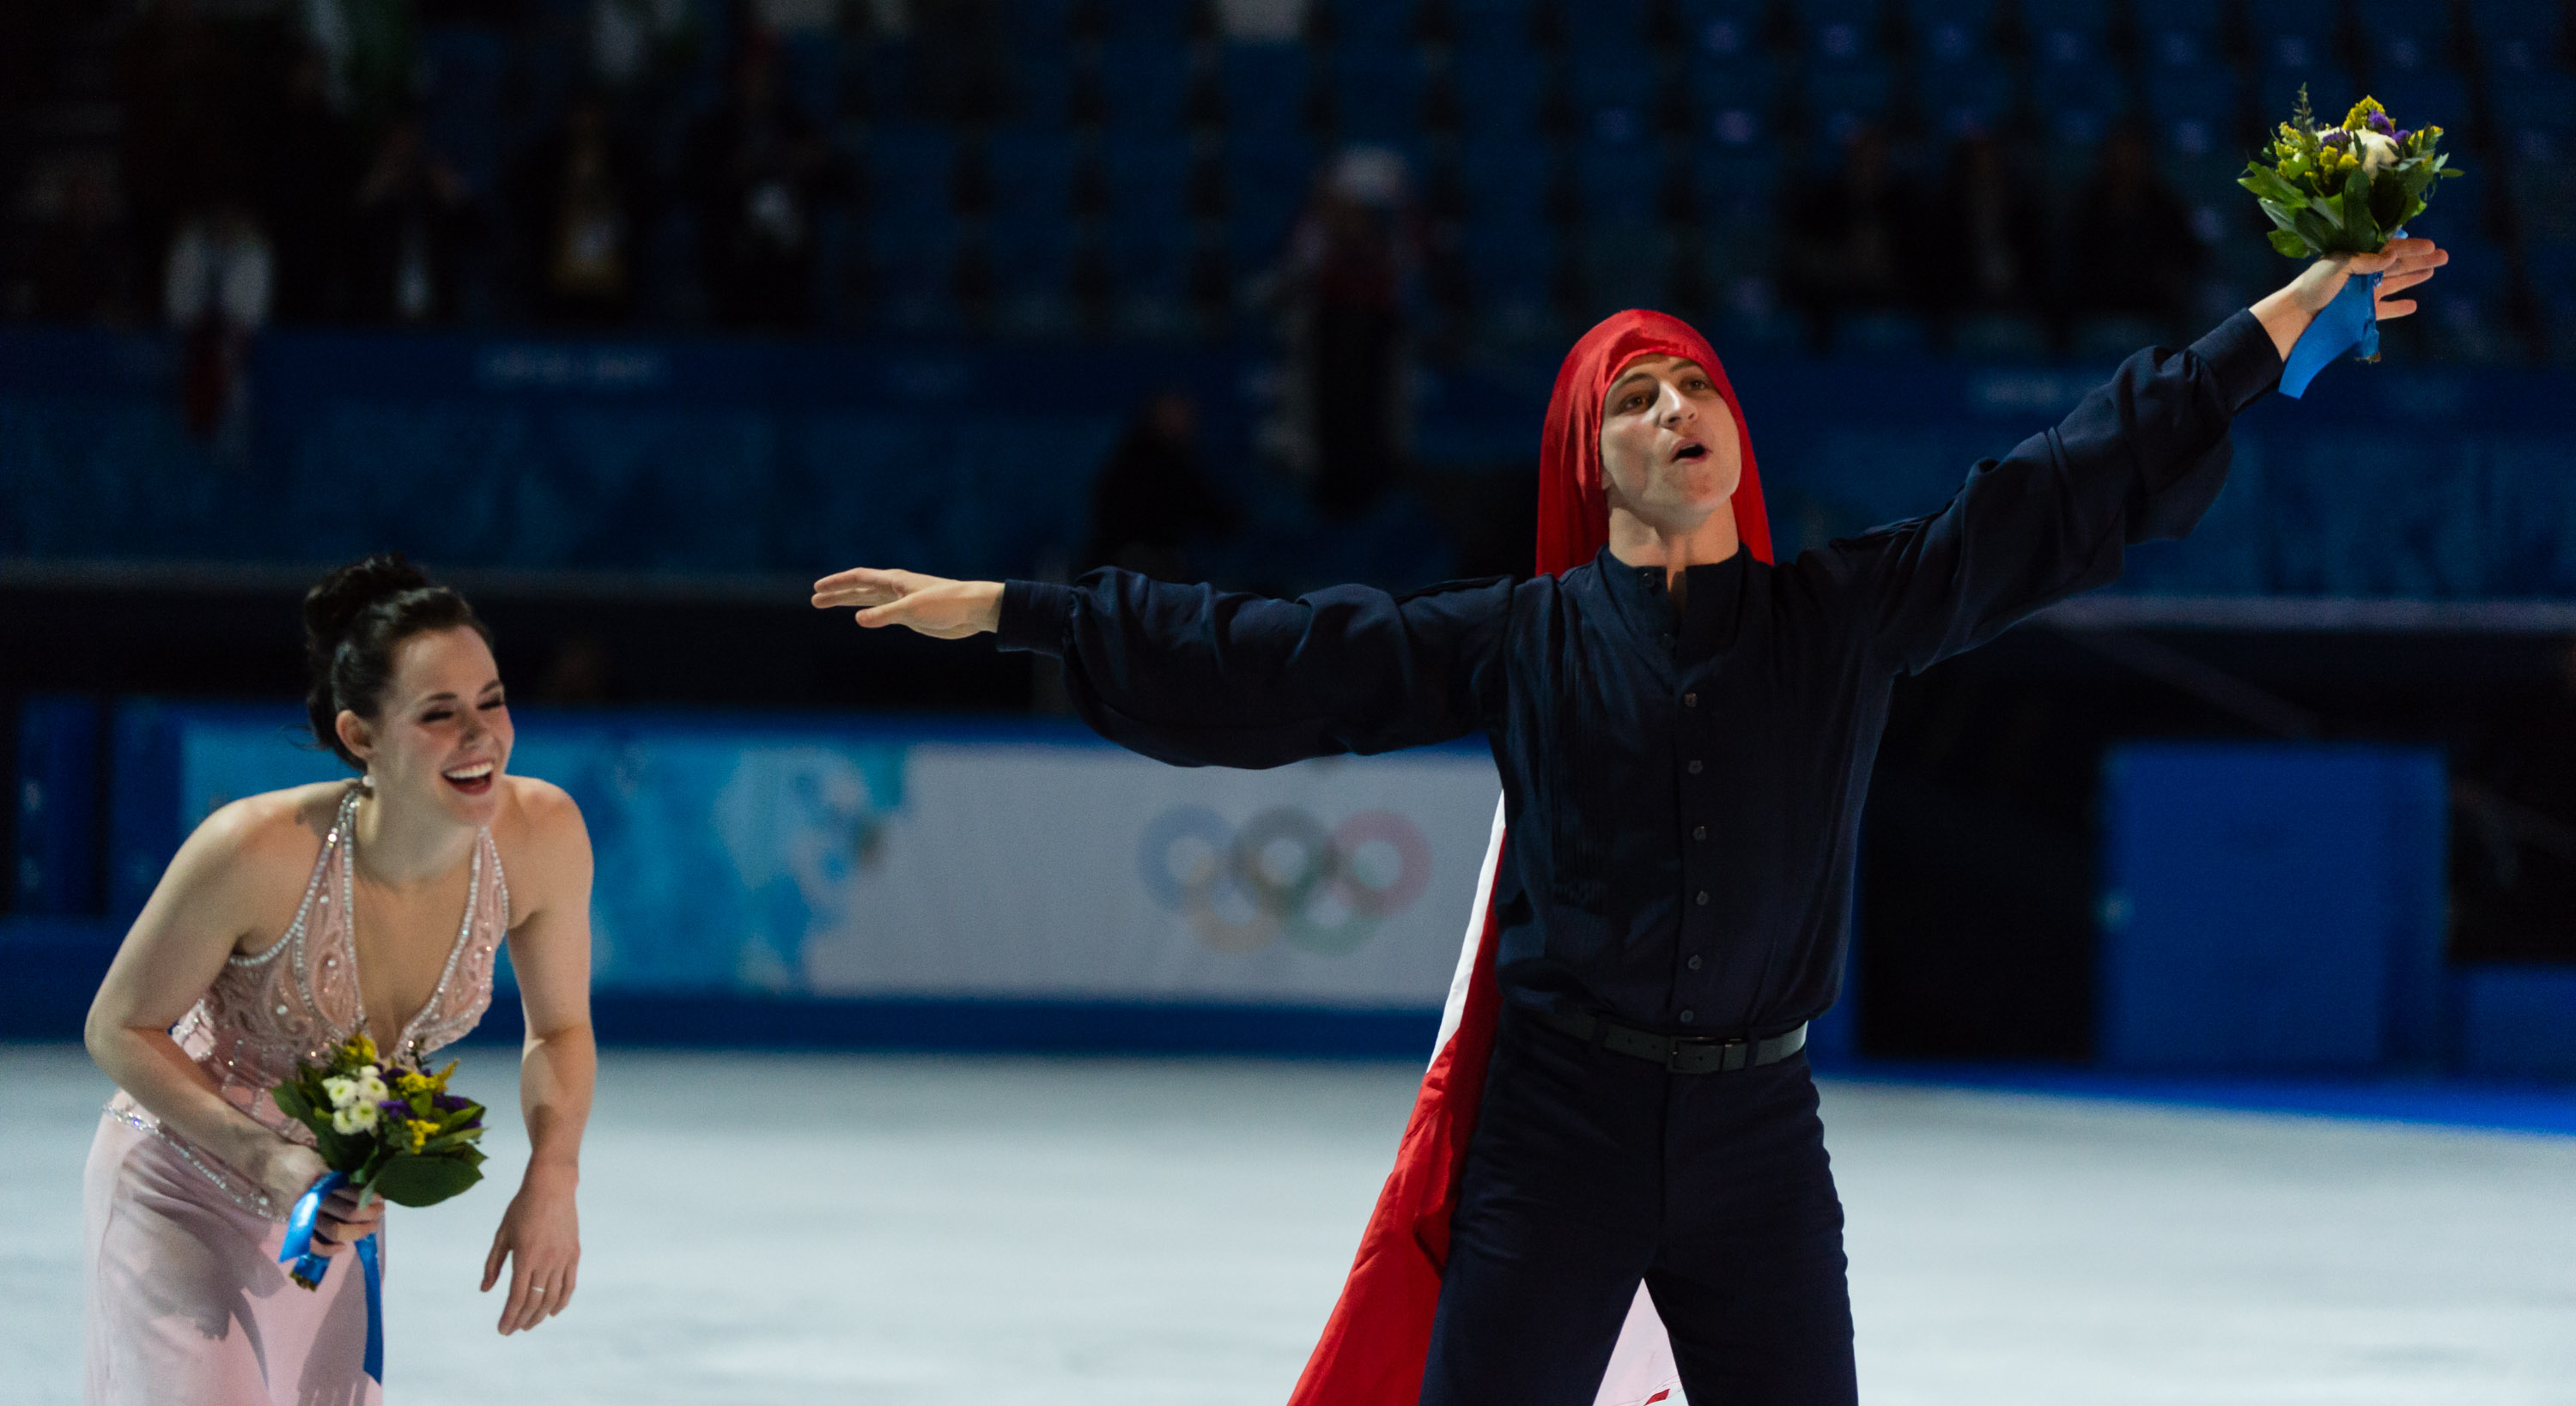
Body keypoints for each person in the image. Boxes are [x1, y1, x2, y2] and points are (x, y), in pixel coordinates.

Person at [812, 240, 2445, 1403]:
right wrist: (1017, 608)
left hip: (1760, 1147)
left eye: (1697, 388)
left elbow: (2060, 487)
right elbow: (1272, 657)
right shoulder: (1517, 637)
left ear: (1736, 438)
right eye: (1638, 397)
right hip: (1560, 1137)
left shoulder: (1840, 614)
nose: (1679, 410)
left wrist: (2274, 320)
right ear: (1591, 462)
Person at [82, 553, 598, 1404]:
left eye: (492, 701)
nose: (480, 737)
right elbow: (117, 1026)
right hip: (182, 1187)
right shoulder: (254, 851)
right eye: (439, 714)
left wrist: (554, 1175)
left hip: (338, 1213)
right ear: (362, 736)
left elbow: (562, 1029)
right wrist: (262, 1155)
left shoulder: (541, 835)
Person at [1079, 391, 1238, 581]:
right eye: (1175, 413)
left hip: (1134, 566)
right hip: (1133, 568)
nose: (1186, 422)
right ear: (1156, 416)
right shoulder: (1144, 463)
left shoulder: (1173, 462)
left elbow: (1211, 513)